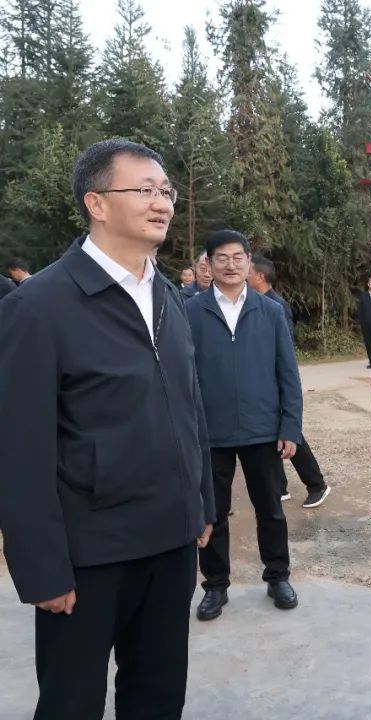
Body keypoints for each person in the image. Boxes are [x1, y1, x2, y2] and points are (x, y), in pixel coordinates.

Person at [0, 138, 214, 719]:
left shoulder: (168, 296)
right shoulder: (39, 306)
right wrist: (41, 568)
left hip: (170, 543)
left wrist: (200, 502)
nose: (162, 203)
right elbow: (19, 450)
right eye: (144, 190)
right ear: (96, 203)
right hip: (89, 557)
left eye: (165, 191)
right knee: (71, 703)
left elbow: (190, 405)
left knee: (157, 698)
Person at [185, 229, 303, 621]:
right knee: (212, 512)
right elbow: (182, 374)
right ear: (208, 263)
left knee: (270, 509)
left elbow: (288, 373)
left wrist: (290, 426)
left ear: (249, 263)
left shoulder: (269, 311)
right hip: (211, 432)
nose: (231, 264)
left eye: (238, 257)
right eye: (221, 257)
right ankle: (215, 585)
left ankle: (278, 576)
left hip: (261, 430)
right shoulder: (191, 311)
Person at [249, 253, 332, 509]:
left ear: (260, 276)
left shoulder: (276, 305)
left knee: (290, 432)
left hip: (275, 381)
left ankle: (317, 484)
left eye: (247, 271)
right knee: (270, 433)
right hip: (260, 380)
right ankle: (280, 487)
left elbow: (284, 349)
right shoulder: (254, 302)